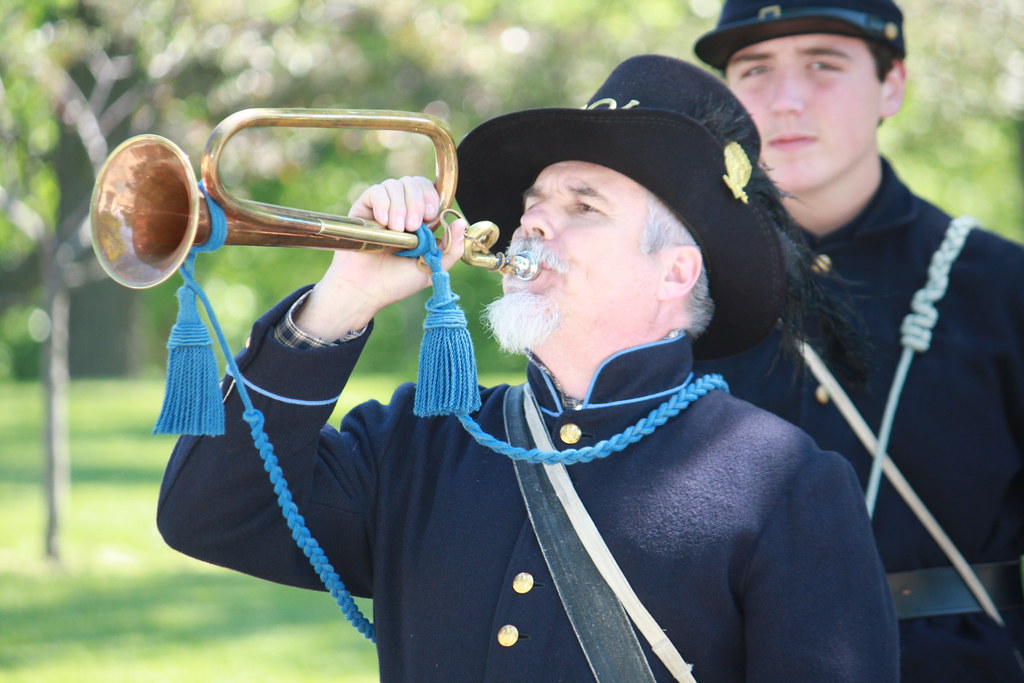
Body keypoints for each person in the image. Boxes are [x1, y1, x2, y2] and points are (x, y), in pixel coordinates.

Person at [155, 54, 898, 681]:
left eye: (584, 206)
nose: (533, 221)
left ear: (676, 272)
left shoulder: (782, 482)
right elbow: (206, 515)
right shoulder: (422, 441)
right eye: (534, 201)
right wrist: (340, 300)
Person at [694, 2, 1024, 680]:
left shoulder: (1003, 287)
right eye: (754, 70)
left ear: (892, 84)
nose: (785, 101)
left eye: (823, 64)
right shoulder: (675, 291)